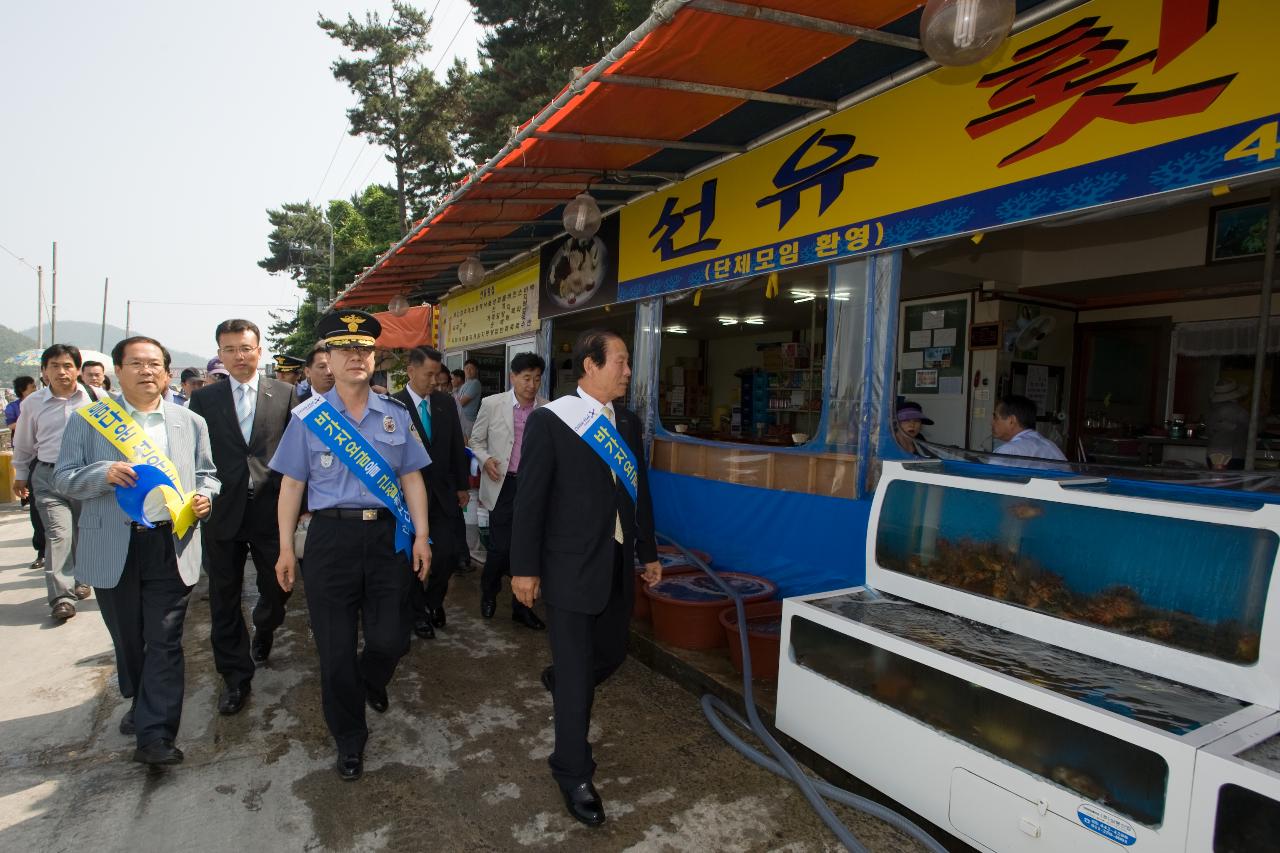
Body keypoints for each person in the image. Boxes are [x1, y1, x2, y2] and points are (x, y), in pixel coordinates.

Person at [269, 310, 431, 782]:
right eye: (345, 350)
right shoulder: (308, 419)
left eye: (363, 350)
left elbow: (413, 479)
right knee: (336, 650)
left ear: (374, 358)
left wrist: (422, 535)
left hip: (387, 539)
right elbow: (292, 487)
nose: (356, 357)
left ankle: (370, 680)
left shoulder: (395, 415)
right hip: (330, 541)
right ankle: (350, 738)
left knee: (391, 639)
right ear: (329, 361)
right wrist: (284, 548)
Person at [511, 330, 661, 827]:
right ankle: (572, 770)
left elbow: (638, 493)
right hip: (569, 567)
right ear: (590, 366)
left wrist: (648, 550)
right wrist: (524, 568)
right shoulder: (552, 422)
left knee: (612, 655)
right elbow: (529, 501)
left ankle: (562, 679)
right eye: (619, 361)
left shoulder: (629, 423)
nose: (627, 371)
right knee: (578, 681)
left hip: (616, 565)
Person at [54, 335, 219, 765]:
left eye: (155, 365)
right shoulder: (89, 420)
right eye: (136, 364)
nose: (147, 371)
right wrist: (102, 473)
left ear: (167, 373)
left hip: (170, 542)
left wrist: (205, 498)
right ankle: (141, 698)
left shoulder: (189, 422)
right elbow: (63, 478)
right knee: (129, 639)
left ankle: (156, 734)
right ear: (117, 371)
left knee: (164, 640)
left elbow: (207, 474)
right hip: (114, 543)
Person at [188, 320, 299, 717]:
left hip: (270, 511)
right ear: (220, 353)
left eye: (245, 348)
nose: (238, 356)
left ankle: (266, 625)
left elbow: (295, 454)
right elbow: (196, 457)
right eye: (229, 349)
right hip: (221, 513)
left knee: (279, 587)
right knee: (223, 597)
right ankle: (236, 678)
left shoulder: (285, 393)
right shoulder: (204, 400)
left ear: (259, 350)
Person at [11, 345, 95, 621]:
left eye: (68, 366)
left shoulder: (96, 400)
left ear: (78, 370)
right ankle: (61, 596)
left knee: (84, 531)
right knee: (59, 534)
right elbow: (23, 444)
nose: (62, 372)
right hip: (48, 476)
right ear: (44, 371)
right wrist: (20, 475)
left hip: (85, 476)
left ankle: (83, 577)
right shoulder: (32, 404)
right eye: (55, 366)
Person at [392, 347, 470, 639]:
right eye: (429, 374)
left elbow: (455, 449)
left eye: (438, 374)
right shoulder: (393, 405)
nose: (436, 380)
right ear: (411, 371)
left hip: (442, 494)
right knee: (410, 557)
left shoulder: (445, 403)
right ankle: (417, 613)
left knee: (448, 554)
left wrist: (462, 485)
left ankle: (433, 601)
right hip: (405, 499)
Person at [471, 352, 549, 629]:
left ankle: (522, 607)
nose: (531, 384)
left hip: (534, 488)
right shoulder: (492, 404)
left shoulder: (546, 409)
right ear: (513, 377)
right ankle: (489, 591)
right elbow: (476, 441)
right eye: (526, 378)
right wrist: (486, 459)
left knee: (528, 548)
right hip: (503, 483)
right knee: (501, 548)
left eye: (537, 379)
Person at [7, 376, 44, 570]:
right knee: (39, 512)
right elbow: (17, 434)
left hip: (75, 468)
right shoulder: (24, 405)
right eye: (31, 387)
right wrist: (20, 475)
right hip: (38, 463)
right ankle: (43, 552)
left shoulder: (86, 399)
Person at [991, 394, 1067, 464]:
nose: (991, 423)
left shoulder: (1009, 451)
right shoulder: (1050, 446)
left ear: (1011, 421)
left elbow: (989, 477)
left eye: (996, 417)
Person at [1206, 379, 1251, 470]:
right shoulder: (1239, 411)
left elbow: (1208, 431)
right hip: (1233, 455)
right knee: (1231, 482)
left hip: (1213, 454)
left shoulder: (1213, 411)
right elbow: (1256, 428)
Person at [457, 359, 483, 425]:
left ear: (476, 370)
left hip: (468, 420)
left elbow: (461, 402)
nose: (468, 371)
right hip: (461, 418)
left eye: (471, 368)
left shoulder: (475, 383)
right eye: (466, 368)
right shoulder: (465, 383)